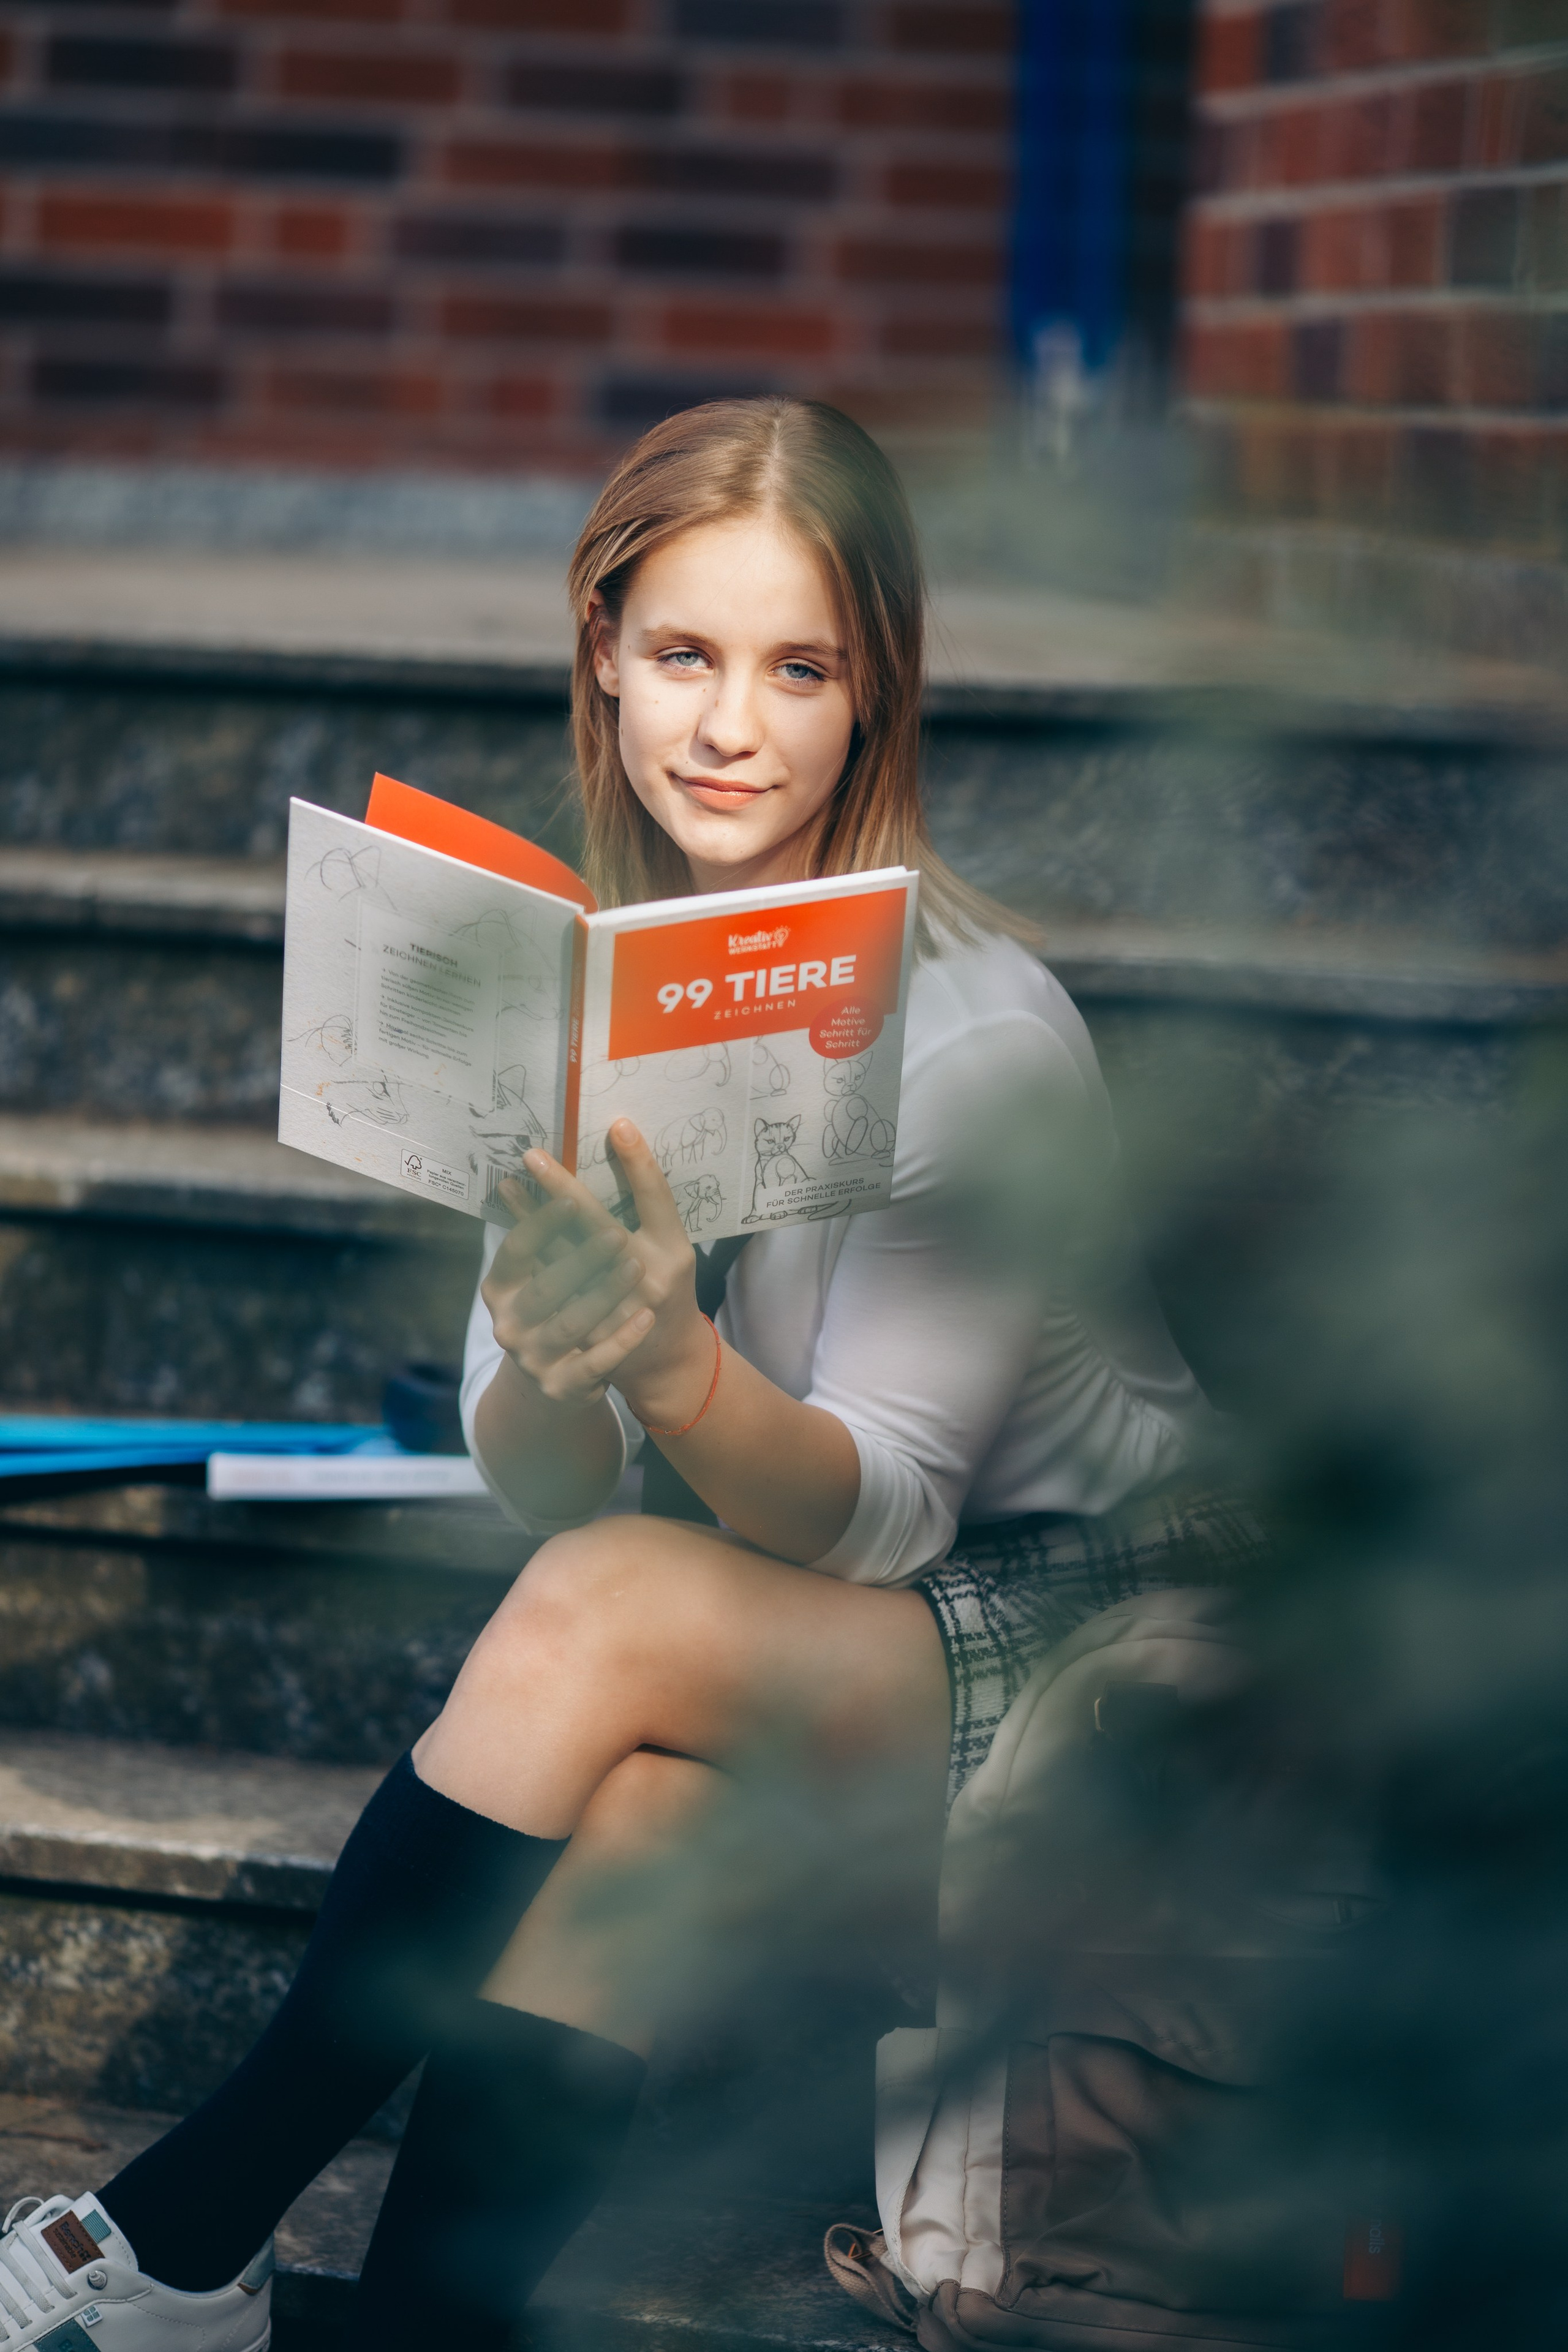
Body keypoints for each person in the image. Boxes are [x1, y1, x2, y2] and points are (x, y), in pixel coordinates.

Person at [0, 399, 1257, 2352]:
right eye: (683, 654)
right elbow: (547, 1487)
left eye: (800, 668)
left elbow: (882, 1514)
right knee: (642, 1794)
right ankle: (431, 2323)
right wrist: (557, 1335)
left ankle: (179, 2230)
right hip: (859, 1645)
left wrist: (668, 1362)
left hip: (1108, 1653)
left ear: (875, 696)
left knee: (602, 1612)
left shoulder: (976, 1037)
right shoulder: (588, 992)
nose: (731, 725)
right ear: (605, 651)